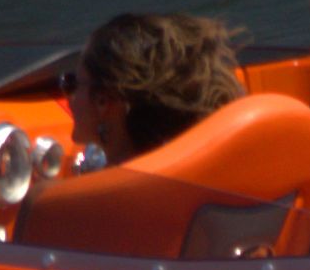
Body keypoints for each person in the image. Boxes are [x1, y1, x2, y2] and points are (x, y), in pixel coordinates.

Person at [64, 10, 248, 167]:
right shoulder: (202, 168)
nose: (70, 98)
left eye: (74, 84)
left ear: (103, 101)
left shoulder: (100, 199)